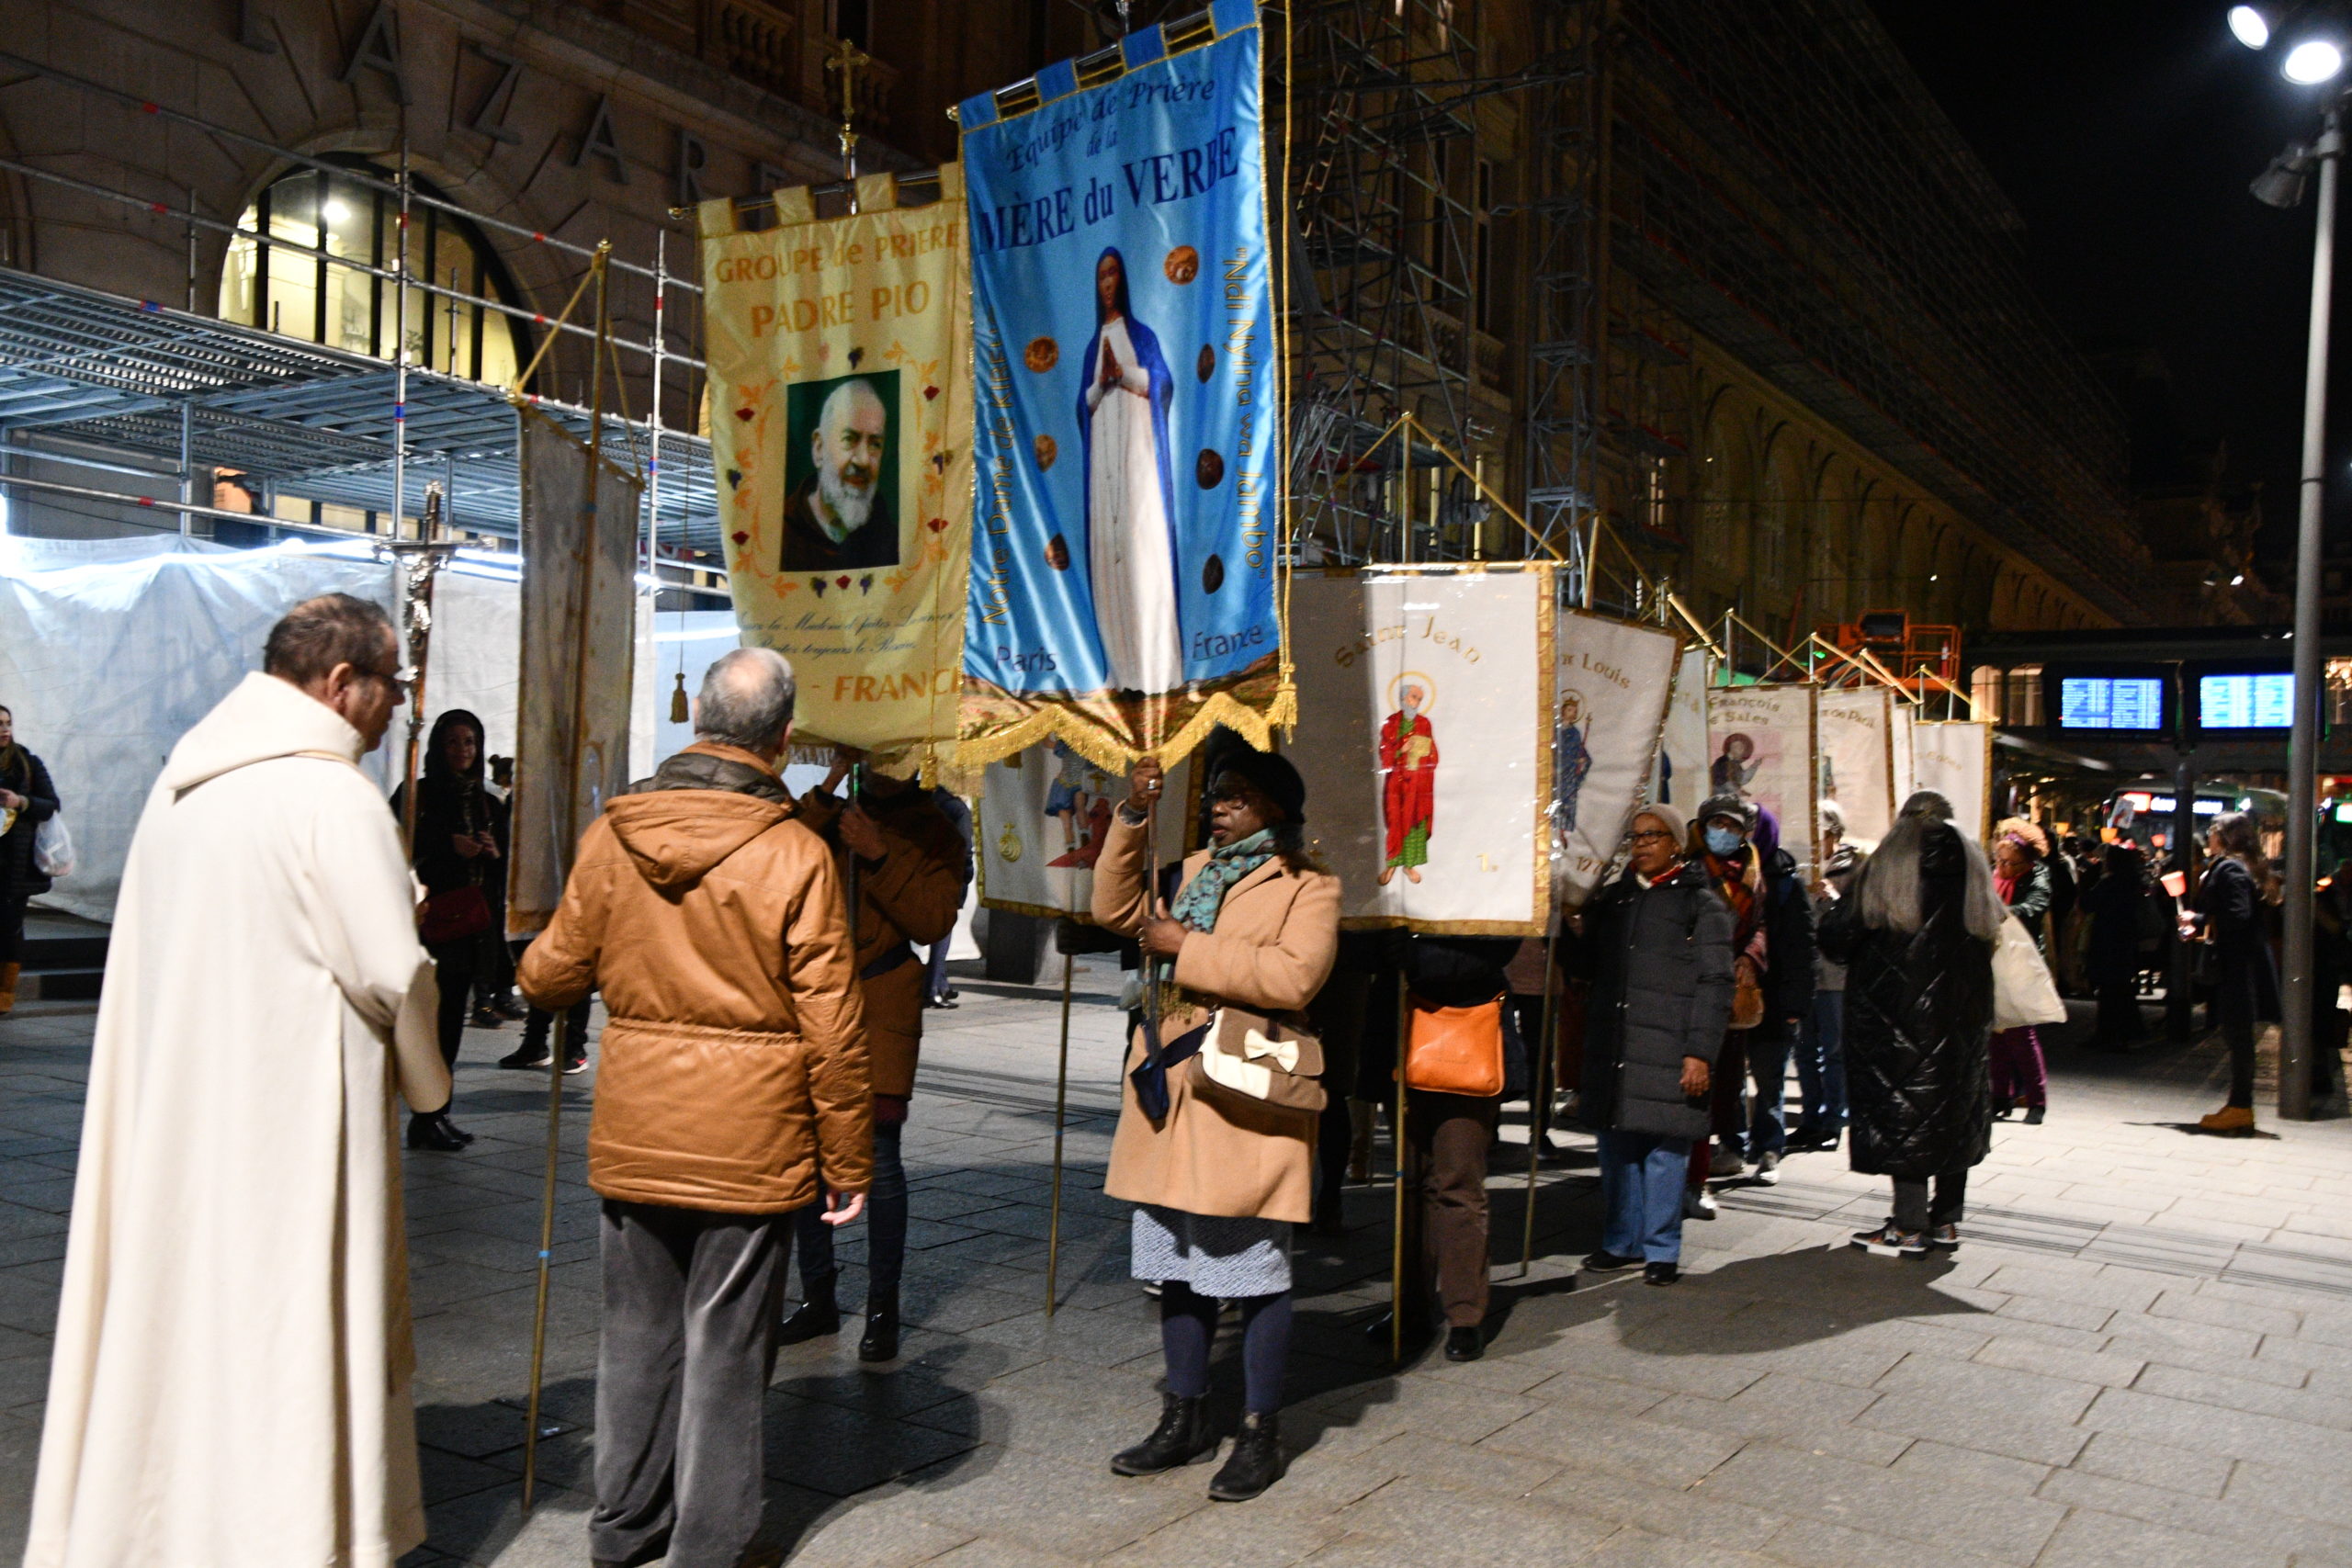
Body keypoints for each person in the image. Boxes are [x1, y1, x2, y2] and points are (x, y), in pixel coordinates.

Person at [27, 593, 449, 1568]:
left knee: (182, 1320)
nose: (401, 710)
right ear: (342, 684)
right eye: (395, 687)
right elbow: (391, 972)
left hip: (184, 1115)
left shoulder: (187, 786)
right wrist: (428, 1081)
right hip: (289, 1124)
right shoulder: (329, 793)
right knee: (282, 1325)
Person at [517, 647, 870, 1568]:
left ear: (698, 722)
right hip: (752, 1145)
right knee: (726, 1352)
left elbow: (547, 975)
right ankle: (707, 1548)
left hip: (639, 1128)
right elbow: (832, 1026)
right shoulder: (797, 853)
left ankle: (621, 1531)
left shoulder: (614, 834)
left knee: (633, 1339)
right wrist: (848, 1160)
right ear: (784, 740)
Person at [1095, 747, 1339, 1502]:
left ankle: (1260, 1430)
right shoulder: (1191, 864)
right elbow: (1116, 911)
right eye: (1218, 794)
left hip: (1242, 1092)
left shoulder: (1311, 883)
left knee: (1250, 1265)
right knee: (1175, 1260)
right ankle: (1187, 1414)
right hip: (1170, 1084)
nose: (1219, 804)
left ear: (1273, 806)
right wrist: (1134, 815)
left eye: (1237, 795)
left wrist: (1187, 948)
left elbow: (1295, 976)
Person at [781, 749, 966, 1363]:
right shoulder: (830, 808)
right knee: (805, 1153)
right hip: (812, 1001)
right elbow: (774, 862)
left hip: (882, 1005)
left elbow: (933, 917)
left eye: (897, 751)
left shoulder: (938, 823)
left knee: (880, 1160)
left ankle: (883, 1307)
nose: (887, 761)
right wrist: (830, 784)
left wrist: (878, 851)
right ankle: (817, 1295)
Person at [1821, 789, 2003, 1256]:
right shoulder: (1975, 870)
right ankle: (1944, 1222)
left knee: (1906, 1112)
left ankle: (1907, 1225)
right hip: (1962, 1018)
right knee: (1953, 1112)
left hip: (1895, 1019)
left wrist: (1833, 902)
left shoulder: (1883, 868)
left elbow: (1838, 938)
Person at [1574, 805, 1735, 1287]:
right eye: (1635, 836)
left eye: (1652, 835)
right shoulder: (1614, 901)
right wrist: (1567, 926)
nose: (1641, 844)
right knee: (1617, 1146)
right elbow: (1585, 968)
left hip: (1671, 1044)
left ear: (1675, 843)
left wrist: (1699, 1051)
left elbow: (1716, 981)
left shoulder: (1701, 903)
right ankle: (1622, 1240)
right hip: (1618, 1044)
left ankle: (1662, 1248)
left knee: (1665, 1151)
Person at [390, 709, 508, 1151]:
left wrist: (493, 853)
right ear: (439, 747)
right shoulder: (418, 795)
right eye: (453, 742)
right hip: (430, 923)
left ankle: (438, 1112)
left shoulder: (488, 802)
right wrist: (445, 846)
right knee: (430, 1024)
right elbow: (392, 845)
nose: (462, 750)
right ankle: (424, 1114)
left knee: (452, 1023)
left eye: (470, 742)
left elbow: (507, 866)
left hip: (471, 927)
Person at [1401, 933, 1519, 1359]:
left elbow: (1486, 953)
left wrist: (1405, 950)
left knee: (1458, 1182)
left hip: (1466, 1039)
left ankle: (1465, 1314)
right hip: (1402, 1032)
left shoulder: (1488, 877)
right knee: (1410, 1185)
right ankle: (1411, 1307)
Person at [1078, 245, 1182, 694]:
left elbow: (1162, 383)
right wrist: (1103, 383)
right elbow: (1081, 404)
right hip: (1104, 458)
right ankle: (1118, 667)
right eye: (1101, 276)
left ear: (1123, 281)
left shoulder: (1141, 335)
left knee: (1143, 548)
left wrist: (1127, 377)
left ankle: (1155, 665)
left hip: (1138, 452)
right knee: (1109, 555)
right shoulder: (1091, 346)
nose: (1107, 284)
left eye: (1114, 275)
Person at [1685, 795, 1767, 1217]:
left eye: (1733, 826)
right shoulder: (1686, 867)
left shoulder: (1752, 871)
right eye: (1717, 823)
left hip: (1731, 994)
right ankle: (1683, 1175)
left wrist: (1750, 956)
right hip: (1690, 989)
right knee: (1688, 1087)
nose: (1724, 832)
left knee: (1723, 1085)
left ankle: (1701, 1173)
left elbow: (1760, 924)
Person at [2183, 810, 2283, 1135]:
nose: (2209, 835)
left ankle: (2241, 1108)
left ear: (2225, 836)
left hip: (2240, 968)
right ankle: (2238, 1105)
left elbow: (2237, 916)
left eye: (2213, 830)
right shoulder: (2243, 866)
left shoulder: (2229, 867)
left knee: (2238, 1037)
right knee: (2238, 1037)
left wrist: (2197, 921)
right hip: (2245, 964)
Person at [1741, 803, 1815, 1181]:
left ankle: (1769, 1149)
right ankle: (1733, 1143)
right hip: (1733, 992)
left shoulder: (1786, 880)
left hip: (1774, 998)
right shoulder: (1727, 872)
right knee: (1729, 1078)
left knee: (1769, 1077)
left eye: (1753, 825)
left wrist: (1796, 1006)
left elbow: (1802, 949)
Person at [1792, 804, 1862, 1152]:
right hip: (1806, 972)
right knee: (1803, 1051)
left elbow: (1863, 918)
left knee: (1834, 1051)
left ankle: (1835, 1119)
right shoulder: (1798, 864)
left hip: (1836, 974)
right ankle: (1810, 1118)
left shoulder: (1855, 866)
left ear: (1833, 833)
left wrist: (1835, 900)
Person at [782, 377, 899, 571]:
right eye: (849, 439)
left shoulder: (889, 540)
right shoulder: (782, 535)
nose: (862, 460)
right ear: (819, 448)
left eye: (874, 444)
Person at [1989, 819, 2053, 1124]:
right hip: (1993, 960)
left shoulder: (2038, 877)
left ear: (2026, 862)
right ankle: (2000, 1094)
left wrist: (2002, 914)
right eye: (1999, 861)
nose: (2003, 867)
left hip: (2020, 962)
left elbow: (2035, 906)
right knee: (1995, 1031)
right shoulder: (1994, 877)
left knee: (2020, 1033)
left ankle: (2037, 1100)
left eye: (2011, 863)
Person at [0, 703, 60, 1017]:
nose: (5, 729)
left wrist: (19, 801)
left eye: (7, 722)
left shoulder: (26, 762)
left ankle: (4, 992)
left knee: (9, 927)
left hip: (15, 863)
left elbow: (51, 804)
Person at [2083, 840, 2150, 1049]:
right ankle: (2127, 1031)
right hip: (2125, 941)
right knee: (2121, 988)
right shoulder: (2132, 883)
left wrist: (2092, 878)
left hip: (2107, 941)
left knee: (2109, 990)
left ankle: (2109, 1034)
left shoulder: (2110, 883)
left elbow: (2087, 903)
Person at [1378, 678, 1439, 886]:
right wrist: (1400, 750)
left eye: (1419, 699)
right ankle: (1392, 864)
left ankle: (1409, 865)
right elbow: (1385, 753)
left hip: (1418, 784)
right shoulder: (1391, 723)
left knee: (1415, 823)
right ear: (1404, 698)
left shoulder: (1424, 723)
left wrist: (1424, 752)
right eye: (1414, 697)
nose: (1416, 702)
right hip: (1397, 783)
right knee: (1396, 822)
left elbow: (1433, 754)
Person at [925, 783, 976, 1007]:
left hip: (926, 872)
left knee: (938, 928)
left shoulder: (929, 801)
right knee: (943, 931)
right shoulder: (958, 809)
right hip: (950, 874)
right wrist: (967, 874)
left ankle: (942, 984)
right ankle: (933, 988)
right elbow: (965, 847)